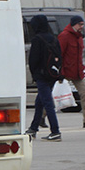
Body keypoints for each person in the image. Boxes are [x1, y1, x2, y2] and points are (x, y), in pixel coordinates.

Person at [25, 13, 62, 141]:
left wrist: (34, 74)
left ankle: (55, 131)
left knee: (47, 103)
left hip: (41, 75)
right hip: (52, 74)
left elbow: (33, 59)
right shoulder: (53, 38)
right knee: (39, 102)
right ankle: (33, 128)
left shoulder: (37, 39)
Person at [58, 14, 85, 128]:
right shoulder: (64, 36)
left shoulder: (79, 37)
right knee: (55, 95)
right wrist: (59, 71)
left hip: (77, 71)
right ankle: (42, 116)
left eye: (82, 24)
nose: (82, 26)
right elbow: (59, 53)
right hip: (65, 71)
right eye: (79, 24)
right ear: (73, 24)